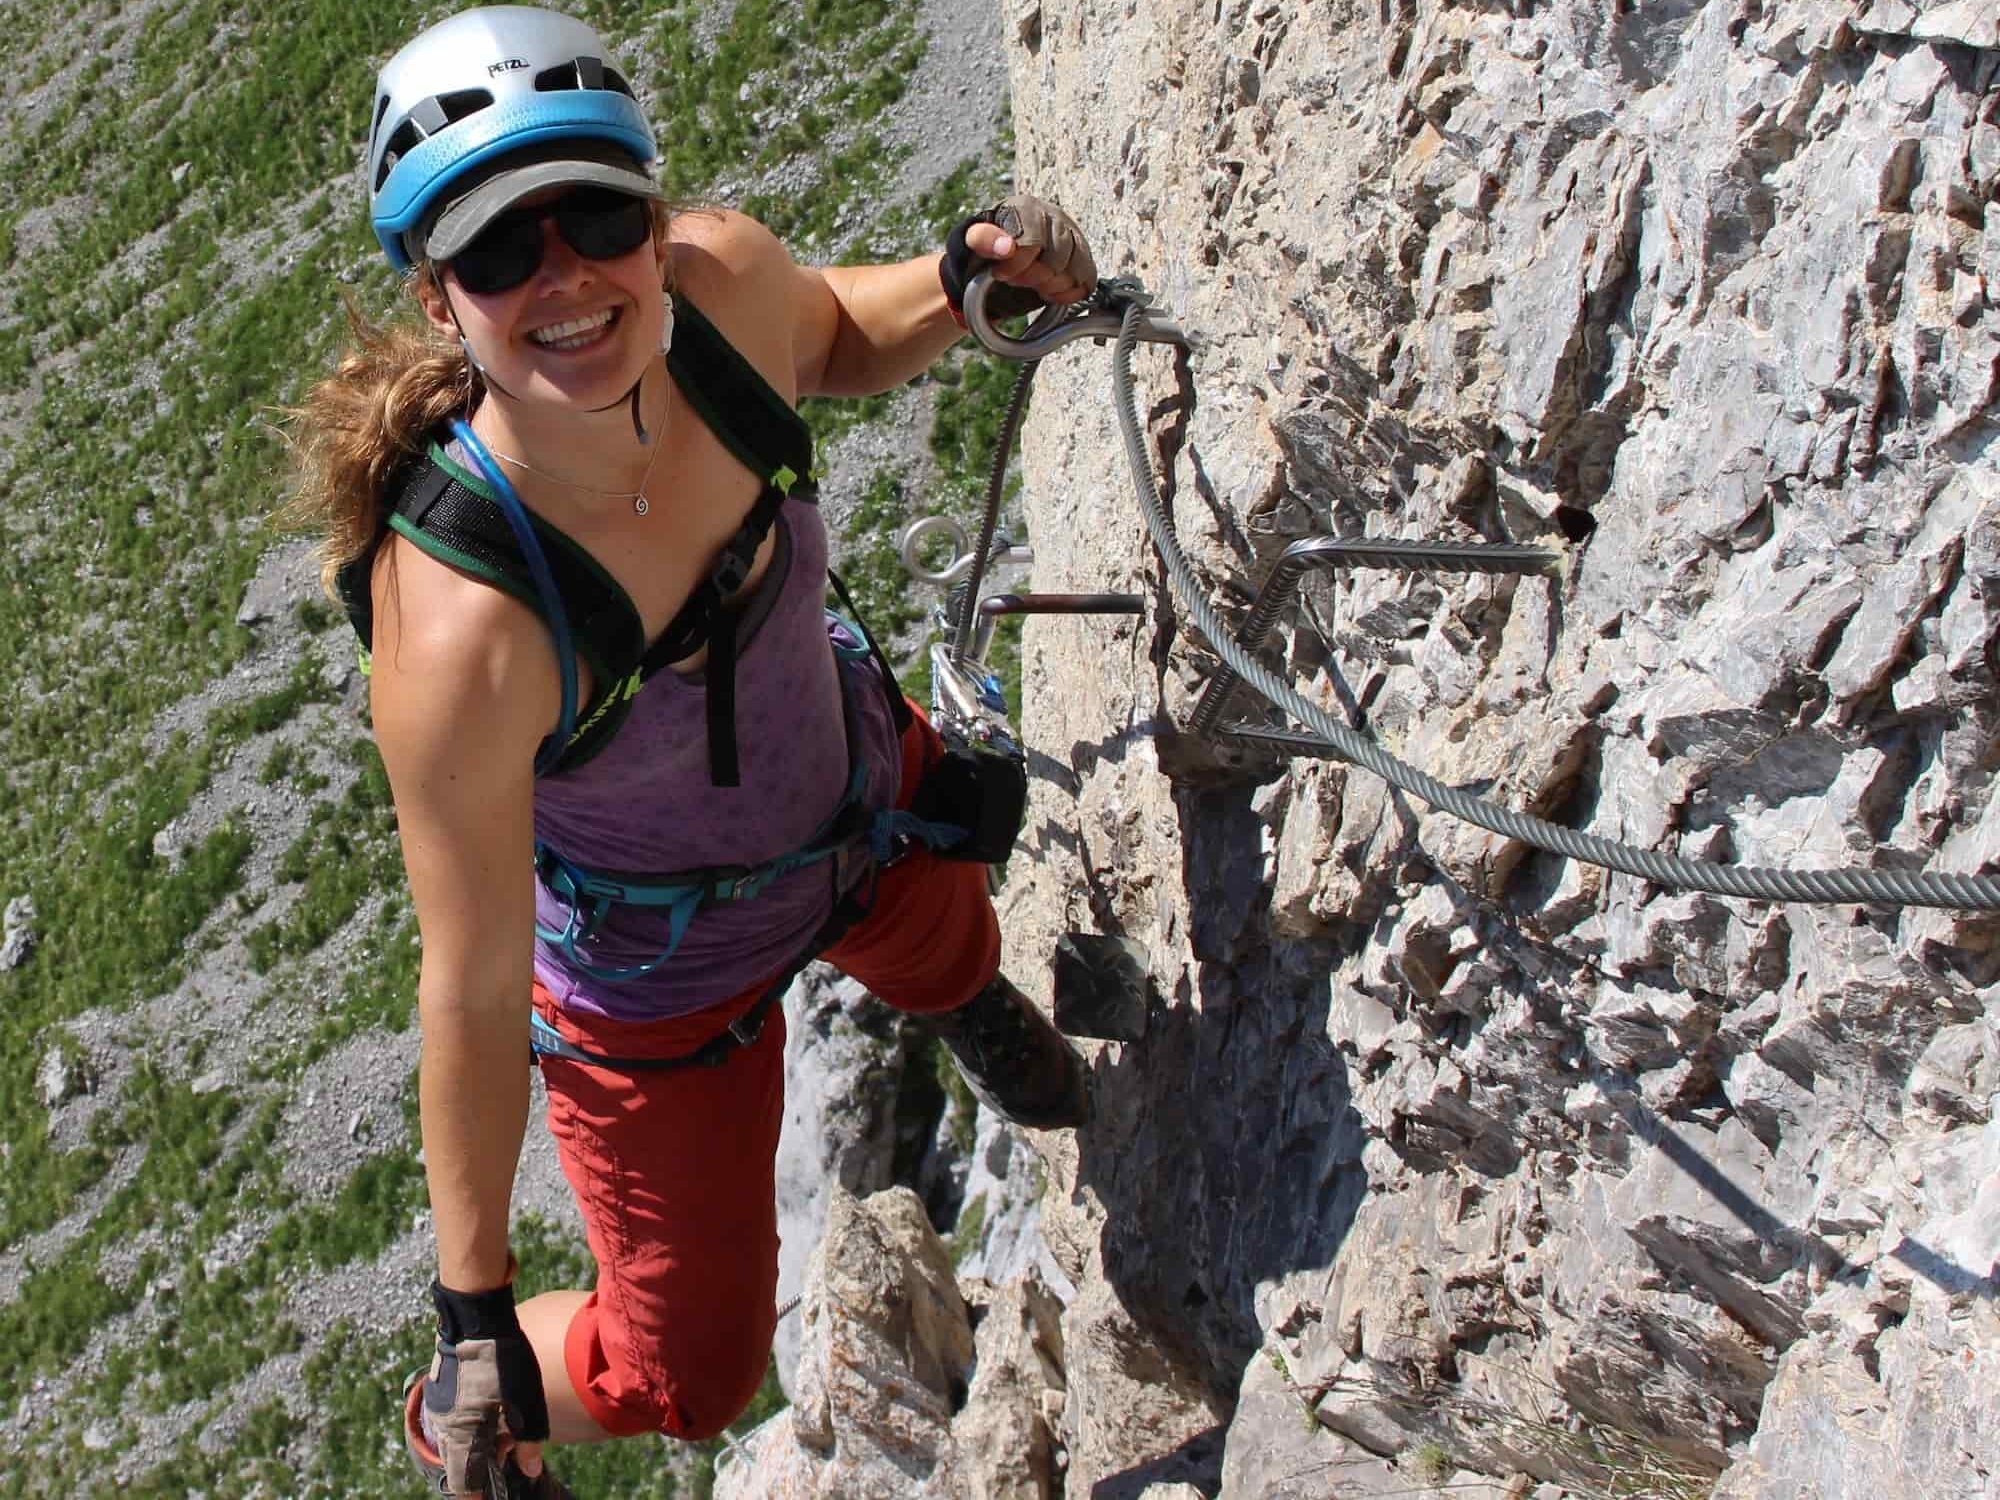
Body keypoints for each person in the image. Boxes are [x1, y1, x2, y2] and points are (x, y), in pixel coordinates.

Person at [286, 7, 1097, 1495]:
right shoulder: (465, 628)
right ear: (437, 296)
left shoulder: (720, 291)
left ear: (656, 221)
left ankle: (969, 1003)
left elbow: (836, 336)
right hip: (657, 982)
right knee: (692, 1373)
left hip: (842, 802)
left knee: (942, 932)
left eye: (597, 215)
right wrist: (473, 1322)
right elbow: (466, 984)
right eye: (497, 250)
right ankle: (473, 1401)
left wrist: (962, 288)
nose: (566, 278)